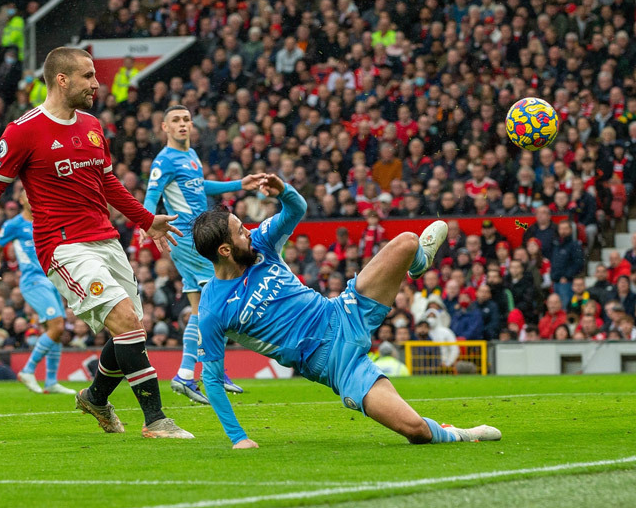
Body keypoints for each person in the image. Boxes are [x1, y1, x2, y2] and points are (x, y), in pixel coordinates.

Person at [193, 174, 501, 448]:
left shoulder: (260, 243)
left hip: (343, 310)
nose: (248, 231)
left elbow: (296, 209)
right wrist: (239, 438)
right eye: (240, 231)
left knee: (408, 242)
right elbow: (212, 379)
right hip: (334, 363)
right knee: (416, 431)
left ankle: (418, 264)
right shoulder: (212, 308)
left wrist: (284, 190)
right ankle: (458, 433)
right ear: (225, 250)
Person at [0, 47, 191, 439]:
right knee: (125, 320)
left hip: (105, 239)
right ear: (62, 80)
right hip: (62, 246)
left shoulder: (93, 125)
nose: (96, 84)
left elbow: (107, 182)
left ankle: (95, 398)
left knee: (131, 328)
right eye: (88, 76)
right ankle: (156, 420)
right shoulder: (23, 130)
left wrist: (146, 219)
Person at [144, 104, 266, 404]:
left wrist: (239, 184)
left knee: (201, 309)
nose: (182, 124)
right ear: (165, 127)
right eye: (175, 120)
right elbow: (151, 195)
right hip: (188, 238)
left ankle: (186, 374)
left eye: (186, 119)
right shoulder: (164, 160)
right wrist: (147, 224)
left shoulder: (190, 155)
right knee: (222, 297)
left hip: (193, 238)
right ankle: (212, 370)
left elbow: (200, 185)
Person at [0, 189, 75, 394]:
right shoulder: (14, 224)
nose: (32, 198)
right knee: (57, 325)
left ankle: (51, 381)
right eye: (27, 195)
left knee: (56, 329)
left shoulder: (46, 220)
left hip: (52, 279)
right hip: (33, 280)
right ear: (21, 200)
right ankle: (28, 370)